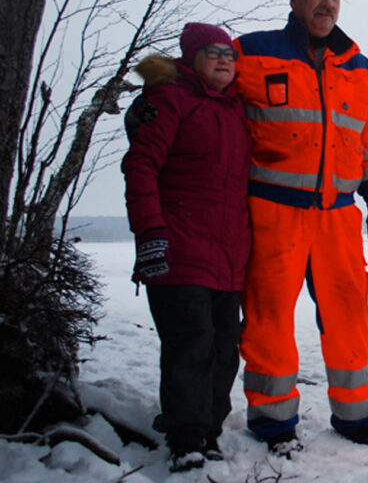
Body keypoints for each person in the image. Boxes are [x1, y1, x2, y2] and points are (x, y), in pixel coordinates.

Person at [232, 0, 368, 456]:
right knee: (269, 316)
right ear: (295, 0)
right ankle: (272, 421)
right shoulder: (251, 53)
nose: (327, 3)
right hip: (272, 211)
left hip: (337, 216)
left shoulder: (360, 68)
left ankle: (358, 417)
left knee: (350, 312)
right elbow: (204, 92)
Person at [121, 23, 251, 473]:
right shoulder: (170, 99)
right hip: (179, 249)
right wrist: (151, 235)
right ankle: (186, 438)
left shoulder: (236, 112)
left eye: (229, 54)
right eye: (212, 52)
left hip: (228, 257)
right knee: (190, 345)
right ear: (191, 58)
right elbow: (140, 168)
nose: (222, 60)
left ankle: (208, 431)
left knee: (223, 348)